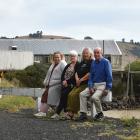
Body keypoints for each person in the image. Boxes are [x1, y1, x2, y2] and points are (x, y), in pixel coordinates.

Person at [79, 47, 112, 121]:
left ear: (101, 53)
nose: (96, 54)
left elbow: (109, 76)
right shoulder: (93, 63)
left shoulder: (106, 62)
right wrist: (90, 86)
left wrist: (107, 88)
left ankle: (100, 114)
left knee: (94, 97)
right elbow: (91, 77)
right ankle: (83, 114)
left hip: (102, 85)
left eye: (98, 52)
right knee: (82, 94)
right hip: (93, 85)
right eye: (95, 53)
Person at [34, 51, 67, 117]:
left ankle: (44, 112)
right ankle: (44, 112)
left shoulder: (62, 63)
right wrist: (46, 82)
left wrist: (62, 82)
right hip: (51, 85)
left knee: (47, 96)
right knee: (45, 96)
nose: (56, 58)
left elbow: (66, 74)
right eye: (55, 57)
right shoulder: (53, 64)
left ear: (61, 57)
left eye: (58, 57)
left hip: (58, 85)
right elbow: (49, 74)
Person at [65, 48, 93, 119]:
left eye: (86, 53)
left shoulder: (92, 62)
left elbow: (90, 73)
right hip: (79, 83)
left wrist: (81, 80)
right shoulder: (82, 62)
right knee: (70, 94)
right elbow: (76, 72)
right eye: (84, 53)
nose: (85, 54)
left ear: (90, 54)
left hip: (86, 84)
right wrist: (77, 79)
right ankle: (70, 112)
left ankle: (72, 113)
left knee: (75, 95)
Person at [51, 50, 79, 119]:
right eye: (71, 56)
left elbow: (75, 76)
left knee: (64, 94)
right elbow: (63, 74)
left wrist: (67, 81)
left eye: (73, 56)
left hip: (72, 85)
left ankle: (58, 112)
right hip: (65, 84)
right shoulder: (68, 65)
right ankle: (66, 113)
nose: (72, 57)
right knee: (63, 94)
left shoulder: (78, 65)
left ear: (76, 57)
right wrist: (63, 81)